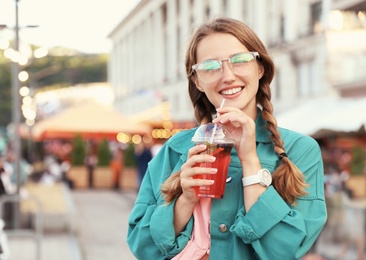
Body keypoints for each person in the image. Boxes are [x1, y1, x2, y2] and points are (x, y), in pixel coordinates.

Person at [127, 17, 327, 260]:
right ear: (197, 81)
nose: (228, 75)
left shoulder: (300, 150)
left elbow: (285, 250)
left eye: (240, 61)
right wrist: (185, 200)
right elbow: (142, 245)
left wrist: (250, 161)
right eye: (210, 67)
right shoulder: (176, 150)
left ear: (260, 68)